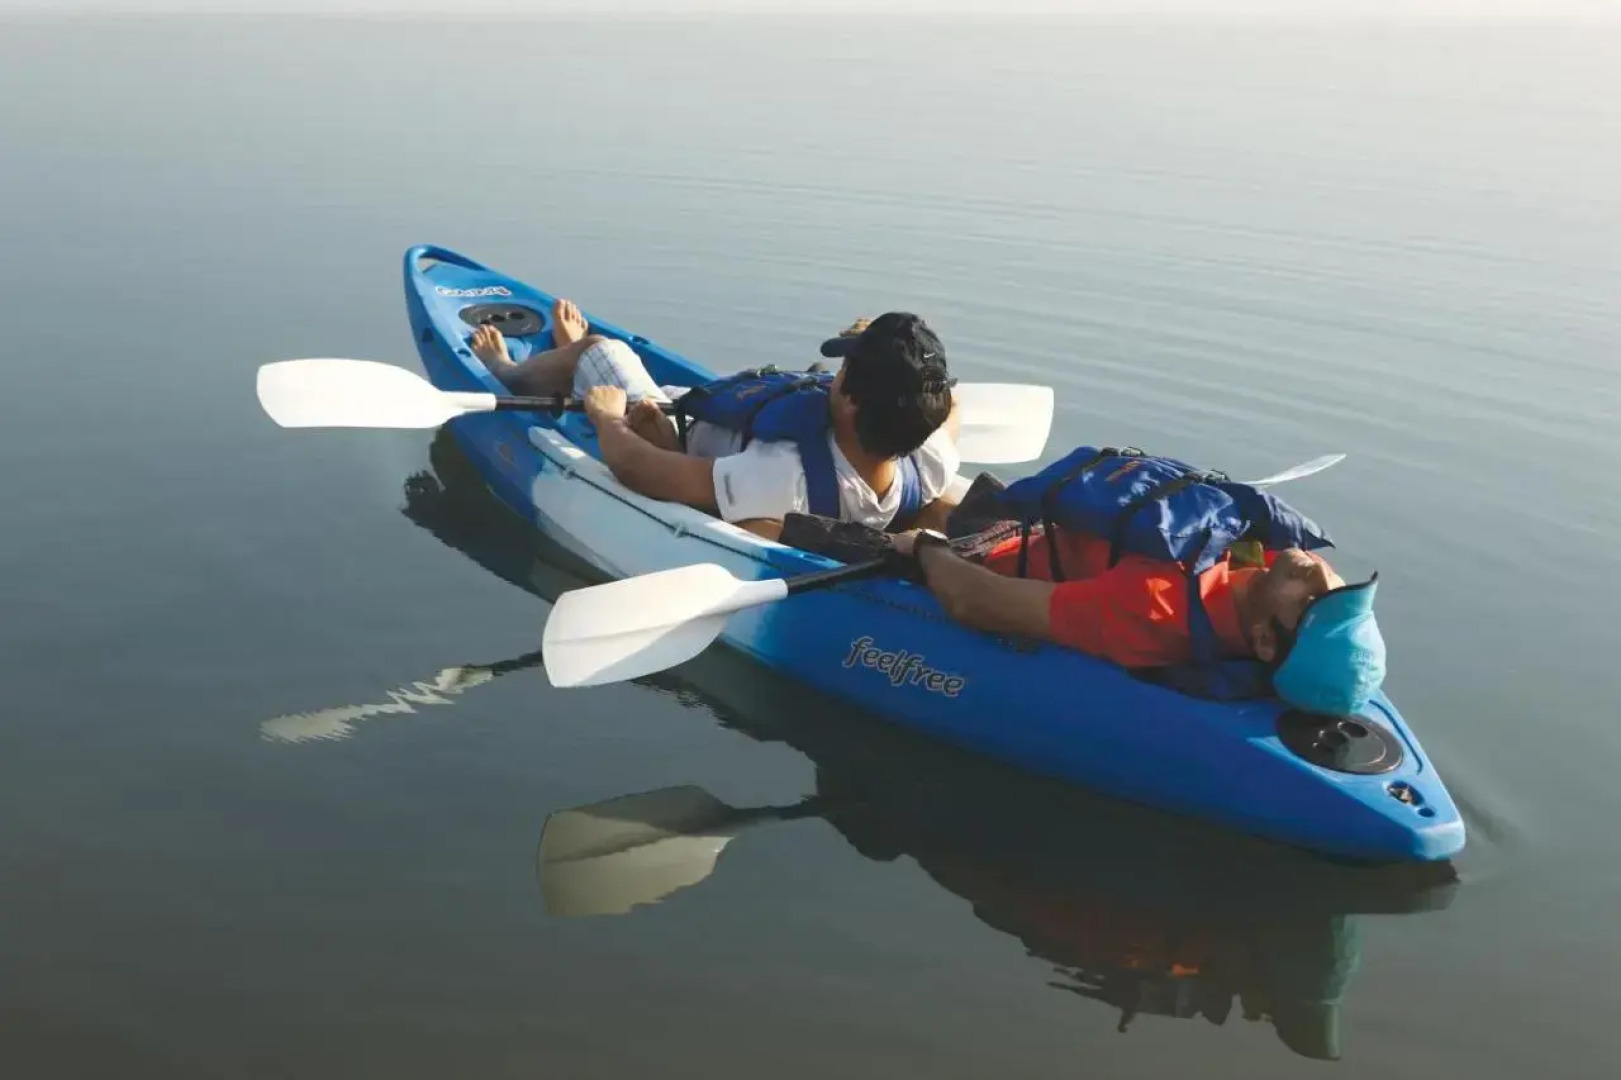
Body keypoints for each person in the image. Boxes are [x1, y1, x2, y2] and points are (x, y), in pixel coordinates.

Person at [470, 299, 961, 540]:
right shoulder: (930, 459)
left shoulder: (783, 475)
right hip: (737, 422)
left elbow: (641, 470)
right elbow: (949, 409)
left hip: (673, 426)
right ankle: (570, 356)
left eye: (846, 368)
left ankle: (515, 370)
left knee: (603, 350)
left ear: (853, 401)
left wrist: (607, 420)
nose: (836, 372)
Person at [894, 523, 1387, 716]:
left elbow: (973, 601)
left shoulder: (1152, 608)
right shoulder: (1267, 563)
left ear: (1262, 642)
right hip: (1030, 516)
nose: (1322, 579)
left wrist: (925, 549)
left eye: (1312, 603)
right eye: (1338, 593)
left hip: (979, 551)